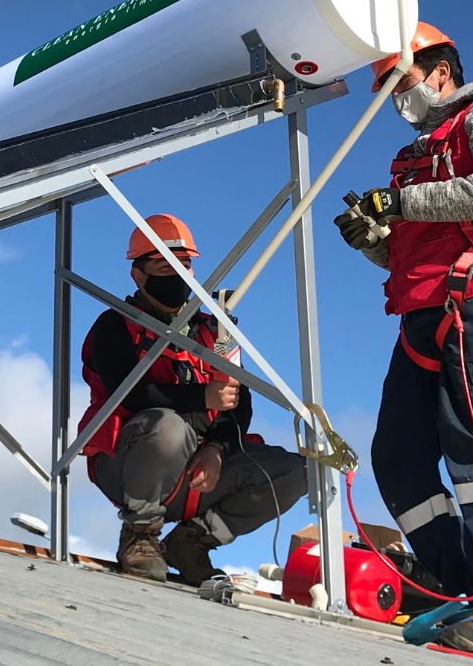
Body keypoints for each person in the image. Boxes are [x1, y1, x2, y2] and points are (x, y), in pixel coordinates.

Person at [334, 23, 473, 652]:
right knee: (397, 456)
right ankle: (461, 589)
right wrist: (375, 240)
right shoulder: (415, 156)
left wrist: (398, 206)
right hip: (422, 315)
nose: (397, 99)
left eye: (400, 82)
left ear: (440, 69)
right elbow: (417, 246)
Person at [78, 214, 307, 585]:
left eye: (185, 264)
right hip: (129, 463)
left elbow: (239, 400)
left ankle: (192, 542)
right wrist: (202, 395)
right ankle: (140, 535)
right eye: (165, 265)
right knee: (168, 427)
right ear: (138, 275)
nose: (178, 273)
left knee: (294, 471)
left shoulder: (217, 331)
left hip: (198, 468)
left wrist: (216, 448)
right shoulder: (115, 325)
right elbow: (131, 393)